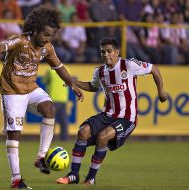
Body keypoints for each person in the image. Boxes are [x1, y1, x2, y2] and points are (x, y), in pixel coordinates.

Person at [0, 5, 84, 189]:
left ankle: (41, 157)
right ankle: (16, 180)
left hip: (31, 88)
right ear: (36, 30)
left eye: (51, 36)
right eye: (45, 34)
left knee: (49, 108)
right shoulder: (21, 41)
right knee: (14, 133)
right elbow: (2, 46)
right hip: (12, 91)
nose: (48, 39)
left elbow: (59, 67)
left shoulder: (47, 47)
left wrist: (72, 84)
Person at [56, 37, 167, 185]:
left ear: (116, 52)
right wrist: (73, 81)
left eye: (109, 51)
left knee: (103, 137)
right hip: (107, 114)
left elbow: (154, 69)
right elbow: (93, 87)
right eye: (103, 52)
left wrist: (161, 92)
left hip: (127, 118)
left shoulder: (128, 65)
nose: (106, 55)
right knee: (82, 132)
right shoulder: (100, 71)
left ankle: (90, 178)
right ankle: (73, 175)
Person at [43, 68, 69, 141]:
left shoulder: (50, 71)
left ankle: (50, 137)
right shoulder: (66, 69)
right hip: (63, 98)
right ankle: (64, 137)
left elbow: (44, 81)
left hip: (53, 98)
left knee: (50, 119)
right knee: (63, 120)